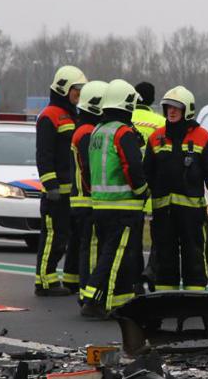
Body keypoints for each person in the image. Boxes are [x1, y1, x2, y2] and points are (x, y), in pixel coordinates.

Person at [80, 79, 149, 318]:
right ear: (126, 105)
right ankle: (105, 303)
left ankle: (96, 298)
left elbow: (86, 171)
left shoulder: (97, 131)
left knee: (106, 253)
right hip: (123, 206)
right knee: (119, 256)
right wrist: (143, 192)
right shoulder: (123, 133)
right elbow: (133, 167)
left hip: (100, 205)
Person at [144, 86, 208, 291]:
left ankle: (195, 297)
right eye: (168, 107)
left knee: (194, 255)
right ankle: (165, 297)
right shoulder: (156, 138)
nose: (171, 111)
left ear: (187, 110)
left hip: (191, 213)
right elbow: (147, 173)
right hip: (163, 212)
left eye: (176, 108)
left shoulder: (202, 137)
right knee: (164, 256)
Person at [35, 65, 87, 297]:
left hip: (73, 192)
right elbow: (44, 155)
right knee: (53, 236)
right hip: (56, 191)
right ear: (64, 88)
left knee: (69, 237)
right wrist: (50, 185)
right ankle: (44, 281)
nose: (79, 94)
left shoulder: (74, 114)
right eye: (77, 89)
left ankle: (70, 280)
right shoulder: (49, 116)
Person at [70, 80, 107, 304]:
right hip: (87, 200)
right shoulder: (86, 133)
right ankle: (89, 295)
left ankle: (86, 291)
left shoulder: (84, 129)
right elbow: (88, 168)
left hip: (82, 200)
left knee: (87, 246)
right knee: (92, 247)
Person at [131, 81, 166, 291]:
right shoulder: (160, 122)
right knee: (158, 237)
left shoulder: (127, 118)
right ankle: (151, 274)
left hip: (131, 188)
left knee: (132, 239)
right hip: (154, 187)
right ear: (153, 99)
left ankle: (134, 278)